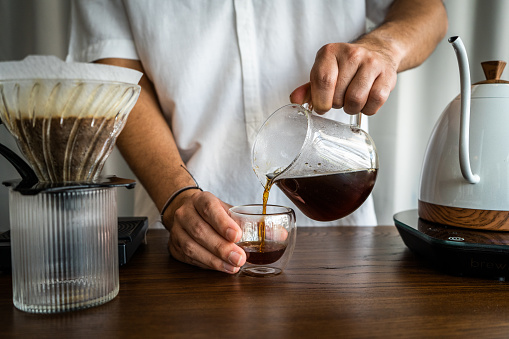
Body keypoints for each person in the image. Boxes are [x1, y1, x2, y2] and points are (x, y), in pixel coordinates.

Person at [67, 0, 448, 274]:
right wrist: (177, 196)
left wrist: (385, 46)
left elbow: (427, 8)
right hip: (191, 229)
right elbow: (113, 75)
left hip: (343, 249)